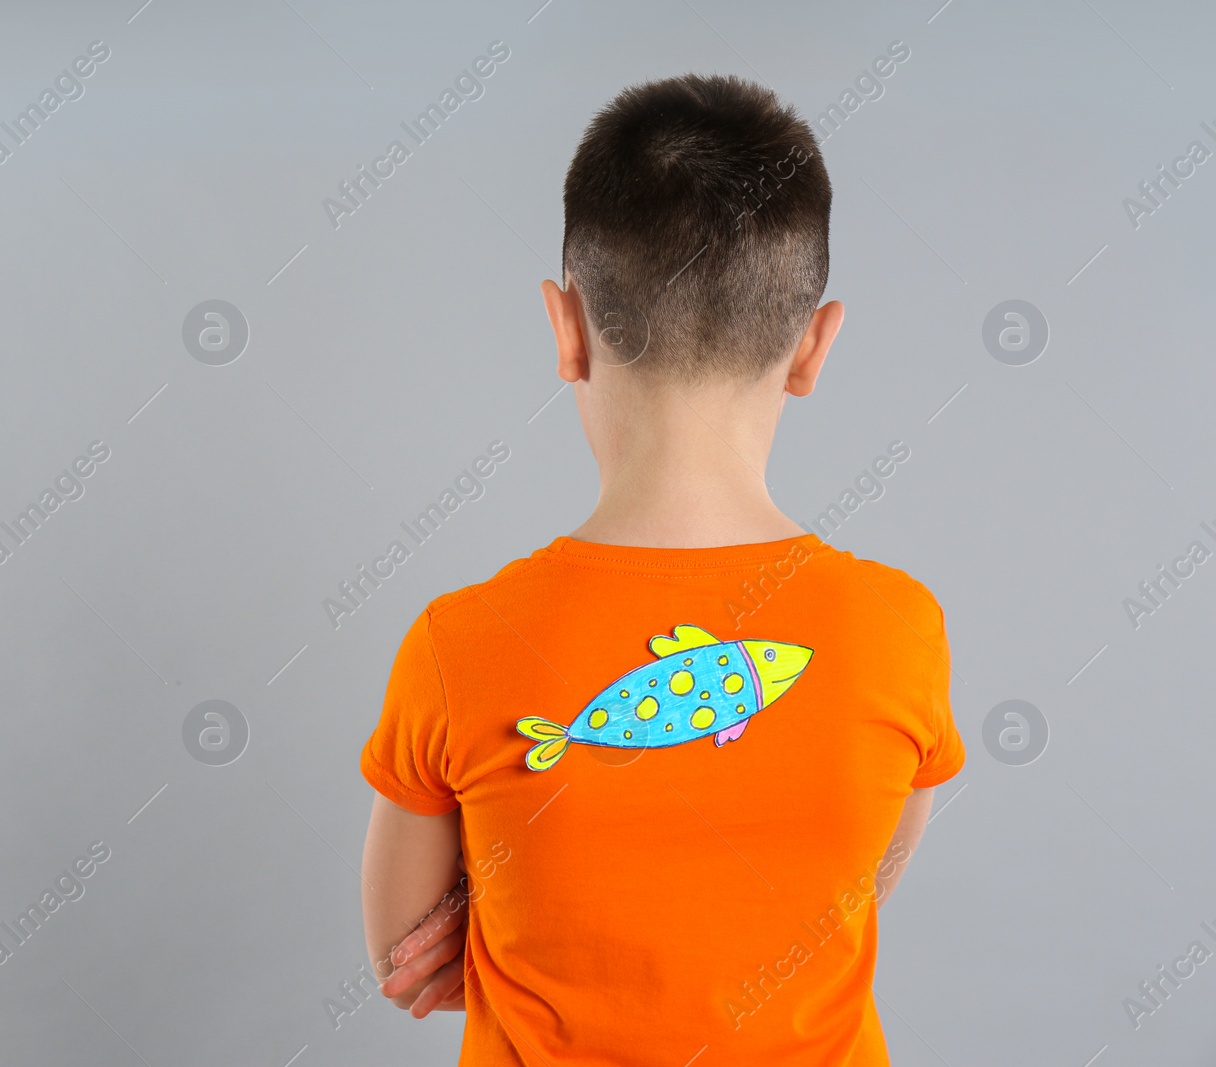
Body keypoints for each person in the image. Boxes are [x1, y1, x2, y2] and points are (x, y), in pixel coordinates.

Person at [357, 73, 965, 1065]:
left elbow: (403, 956)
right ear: (814, 346)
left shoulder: (456, 642)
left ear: (565, 327)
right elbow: (861, 873)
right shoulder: (896, 626)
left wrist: (514, 899)